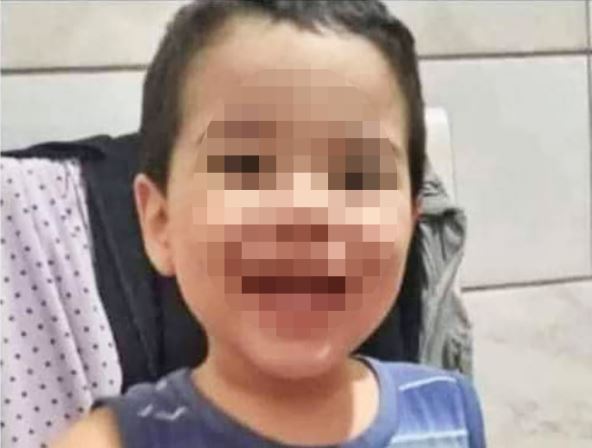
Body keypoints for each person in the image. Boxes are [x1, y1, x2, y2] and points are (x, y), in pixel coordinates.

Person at [52, 0, 485, 446]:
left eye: (356, 174)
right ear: (161, 224)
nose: (304, 210)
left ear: (411, 222)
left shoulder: (448, 411)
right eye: (246, 166)